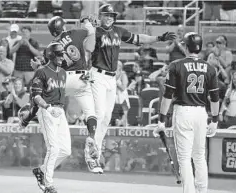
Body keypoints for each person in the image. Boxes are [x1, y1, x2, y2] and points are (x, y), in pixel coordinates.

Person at [91, 4, 176, 172]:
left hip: (111, 77)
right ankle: (91, 149)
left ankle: (96, 151)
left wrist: (159, 38)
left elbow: (139, 38)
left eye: (111, 15)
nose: (109, 17)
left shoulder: (118, 31)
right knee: (100, 113)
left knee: (107, 116)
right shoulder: (96, 31)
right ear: (101, 16)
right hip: (97, 74)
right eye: (106, 15)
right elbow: (85, 41)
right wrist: (90, 26)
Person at [19, 16, 101, 173]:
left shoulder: (50, 47)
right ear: (63, 26)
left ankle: (31, 113)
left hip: (63, 80)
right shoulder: (75, 33)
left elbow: (49, 69)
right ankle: (91, 136)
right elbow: (91, 41)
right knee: (91, 112)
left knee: (43, 91)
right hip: (81, 77)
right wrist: (90, 25)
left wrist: (38, 66)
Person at [153, 32, 220, 193]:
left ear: (186, 46)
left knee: (184, 158)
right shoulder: (209, 68)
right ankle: (202, 191)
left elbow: (167, 95)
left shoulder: (176, 65)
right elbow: (215, 98)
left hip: (183, 112)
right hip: (201, 114)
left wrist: (161, 120)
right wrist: (215, 120)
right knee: (199, 156)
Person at [30, 42, 71, 193]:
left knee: (66, 150)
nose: (62, 56)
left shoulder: (63, 72)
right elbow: (36, 96)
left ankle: (41, 171)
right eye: (59, 54)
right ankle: (48, 185)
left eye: (62, 53)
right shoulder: (41, 72)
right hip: (47, 109)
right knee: (53, 148)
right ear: (51, 55)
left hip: (60, 112)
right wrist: (47, 107)